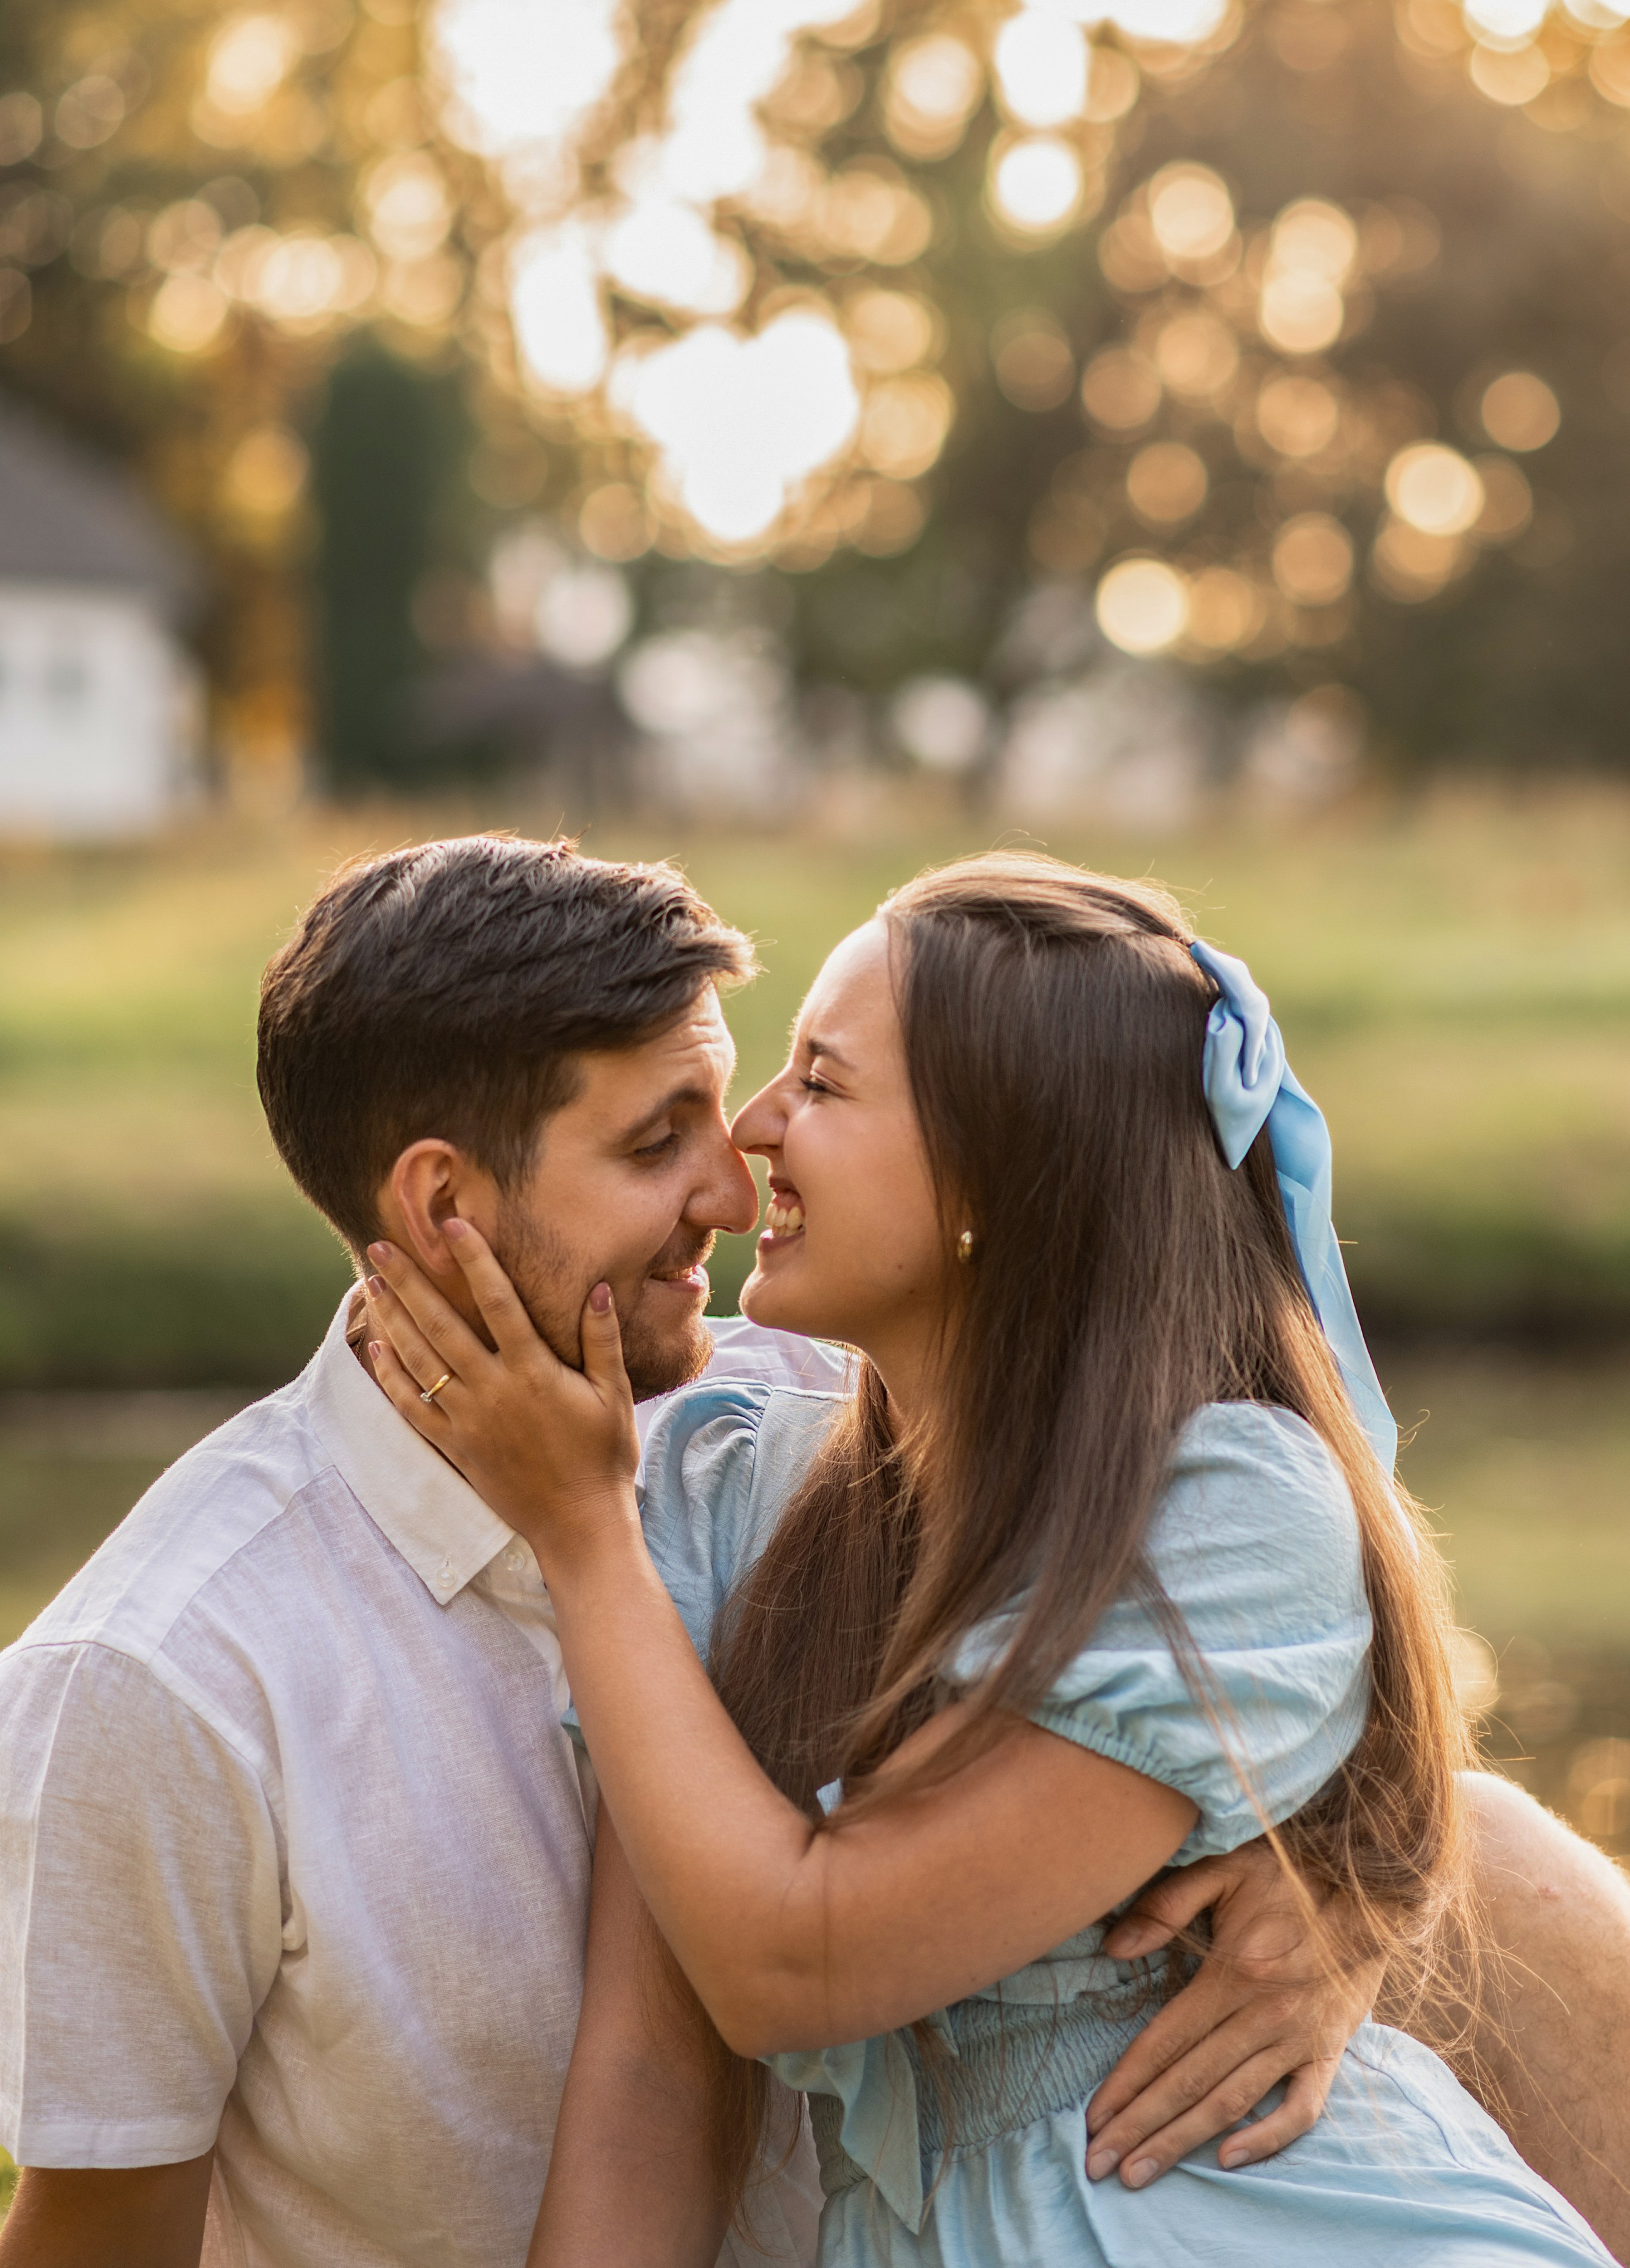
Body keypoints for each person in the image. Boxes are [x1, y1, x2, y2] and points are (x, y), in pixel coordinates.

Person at [0, 835, 1425, 2268]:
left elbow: (1294, 1664)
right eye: (651, 1143)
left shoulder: (806, 1419)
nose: (738, 1189)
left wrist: (1346, 1887)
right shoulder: (157, 1679)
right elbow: (109, 2235)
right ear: (444, 1207)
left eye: (785, 1085)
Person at [362, 853, 1630, 2267]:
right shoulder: (724, 1500)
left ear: (1002, 1172)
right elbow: (648, 2078)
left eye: (822, 1086)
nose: (754, 1137)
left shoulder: (1227, 1509)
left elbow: (798, 1967)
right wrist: (606, 1525)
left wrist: (579, 1532)